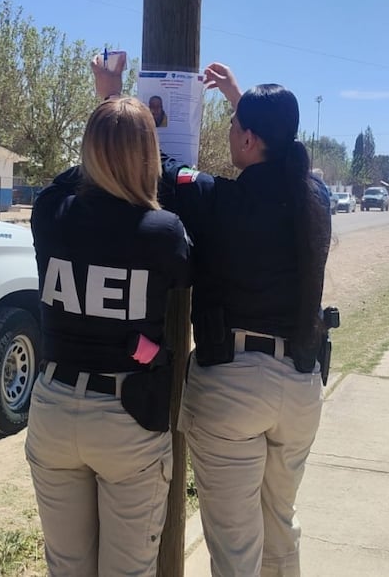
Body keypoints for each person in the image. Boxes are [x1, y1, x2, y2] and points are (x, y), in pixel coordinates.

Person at [95, 60, 333, 576]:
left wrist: (110, 96)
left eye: (233, 127)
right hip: (301, 385)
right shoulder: (314, 197)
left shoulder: (214, 198)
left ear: (248, 140)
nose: (227, 134)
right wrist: (240, 99)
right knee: (280, 529)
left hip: (234, 389)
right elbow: (283, 150)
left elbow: (146, 163)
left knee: (235, 550)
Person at [26, 54, 191, 577]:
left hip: (53, 405)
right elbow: (183, 271)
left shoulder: (51, 212)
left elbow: (72, 179)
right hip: (124, 413)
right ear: (150, 154)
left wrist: (108, 105)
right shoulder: (161, 231)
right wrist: (122, 115)